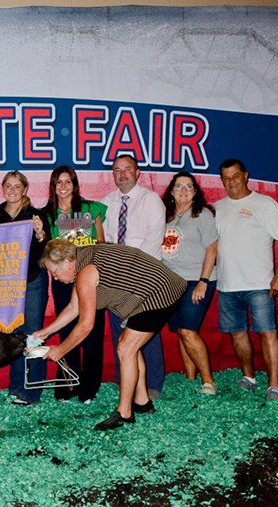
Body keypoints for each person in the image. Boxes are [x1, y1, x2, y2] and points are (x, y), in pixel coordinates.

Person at [35, 240, 187, 430]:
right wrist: (45, 332)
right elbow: (73, 308)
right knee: (129, 345)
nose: (55, 279)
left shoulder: (85, 272)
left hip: (159, 291)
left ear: (67, 263)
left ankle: (124, 414)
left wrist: (61, 350)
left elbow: (85, 325)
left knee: (126, 348)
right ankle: (142, 402)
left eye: (55, 273)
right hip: (150, 291)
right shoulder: (82, 262)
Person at [216, 158, 278, 400]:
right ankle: (248, 377)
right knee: (237, 333)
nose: (231, 182)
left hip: (260, 284)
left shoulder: (264, 203)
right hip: (227, 284)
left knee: (267, 332)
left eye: (236, 176)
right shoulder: (216, 208)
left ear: (246, 176)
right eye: (226, 178)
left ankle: (274, 386)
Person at [100, 154, 166, 399]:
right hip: (115, 277)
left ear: (138, 173)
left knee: (145, 331)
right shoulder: (106, 202)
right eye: (117, 170)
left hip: (144, 275)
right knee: (120, 332)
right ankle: (125, 381)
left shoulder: (151, 200)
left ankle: (153, 384)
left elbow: (154, 237)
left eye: (128, 169)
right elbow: (104, 238)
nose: (122, 174)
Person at [42, 165, 107, 403]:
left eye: (67, 181)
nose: (63, 186)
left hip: (91, 275)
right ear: (53, 187)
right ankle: (68, 383)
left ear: (75, 184)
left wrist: (85, 258)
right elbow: (47, 249)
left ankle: (90, 387)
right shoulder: (47, 214)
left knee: (92, 331)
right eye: (58, 182)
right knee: (67, 329)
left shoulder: (91, 209)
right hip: (62, 280)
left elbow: (101, 242)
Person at [0, 171, 49, 406]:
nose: (12, 191)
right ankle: (16, 386)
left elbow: (48, 247)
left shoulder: (35, 214)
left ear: (25, 189)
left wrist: (40, 232)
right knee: (13, 336)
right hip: (6, 285)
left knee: (33, 335)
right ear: (3, 189)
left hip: (32, 281)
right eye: (8, 186)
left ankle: (32, 390)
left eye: (17, 186)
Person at [160, 172, 218, 395]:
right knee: (181, 331)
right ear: (171, 191)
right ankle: (190, 377)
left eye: (189, 186)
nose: (183, 190)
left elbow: (212, 249)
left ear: (195, 192)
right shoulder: (166, 216)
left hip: (197, 279)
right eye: (178, 186)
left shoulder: (202, 214)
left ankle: (208, 381)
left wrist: (203, 281)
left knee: (188, 330)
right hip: (172, 282)